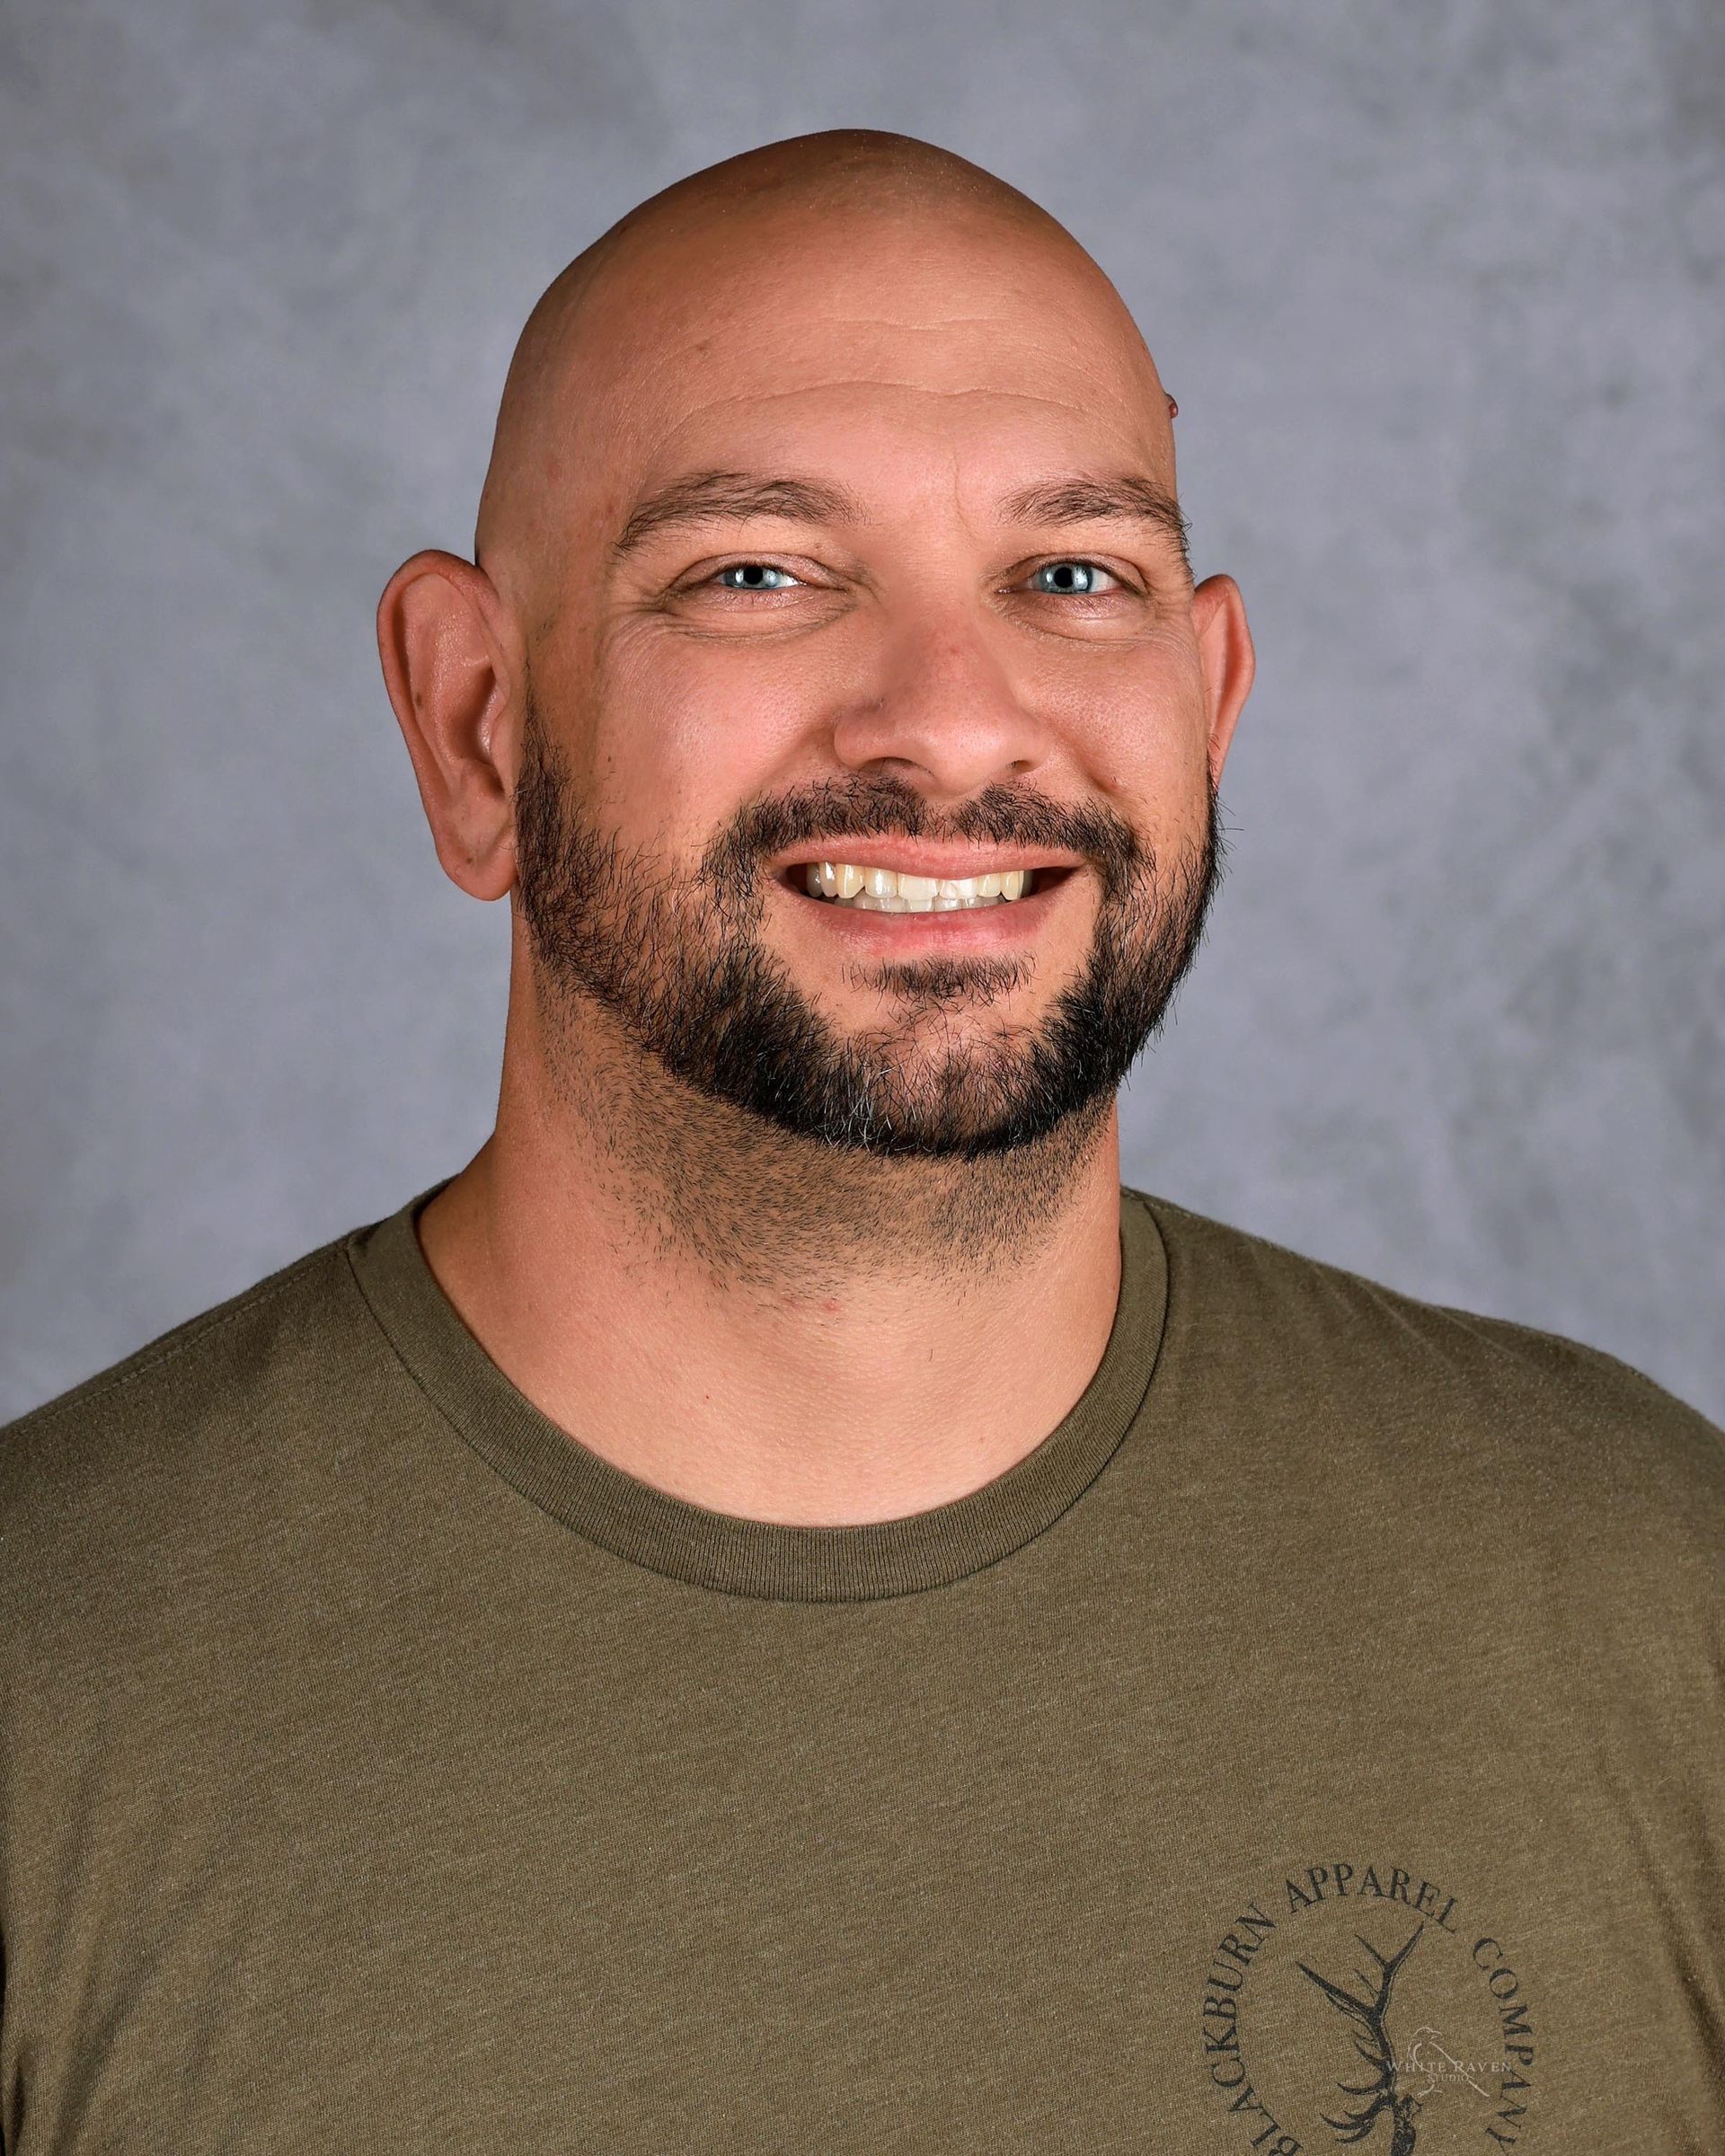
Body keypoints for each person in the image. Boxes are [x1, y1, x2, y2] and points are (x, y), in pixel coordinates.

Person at [1, 128, 1719, 2154]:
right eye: (758, 575)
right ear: (475, 727)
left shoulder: (1656, 1608)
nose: (956, 719)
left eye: (1076, 578)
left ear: (1212, 694)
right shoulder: (50, 1704)